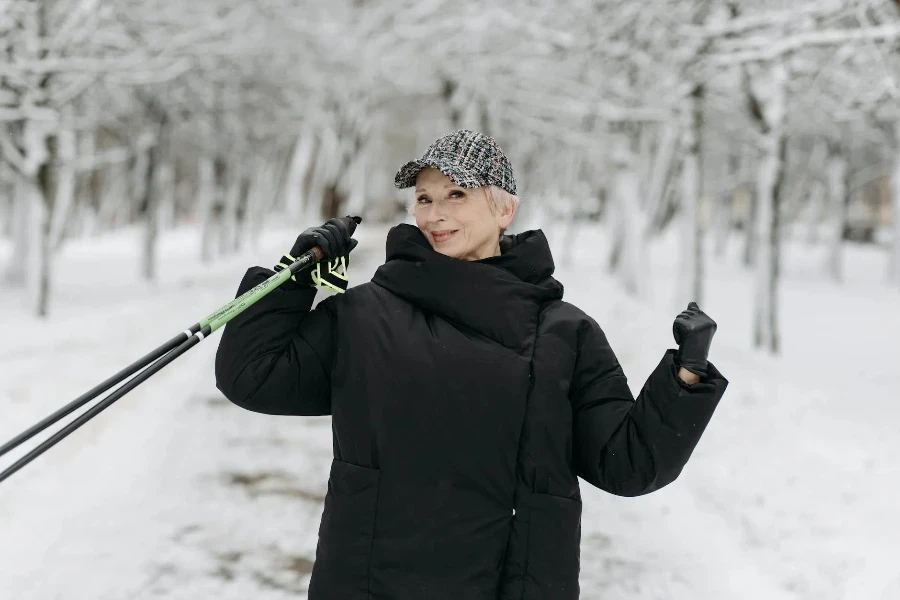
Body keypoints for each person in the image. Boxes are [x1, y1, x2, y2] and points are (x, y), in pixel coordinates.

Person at [214, 129, 728, 600]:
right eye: (424, 198)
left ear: (505, 210)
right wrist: (293, 279)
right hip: (369, 583)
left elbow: (628, 463)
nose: (435, 214)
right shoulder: (366, 314)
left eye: (456, 195)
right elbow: (252, 376)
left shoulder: (563, 332)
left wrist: (686, 374)